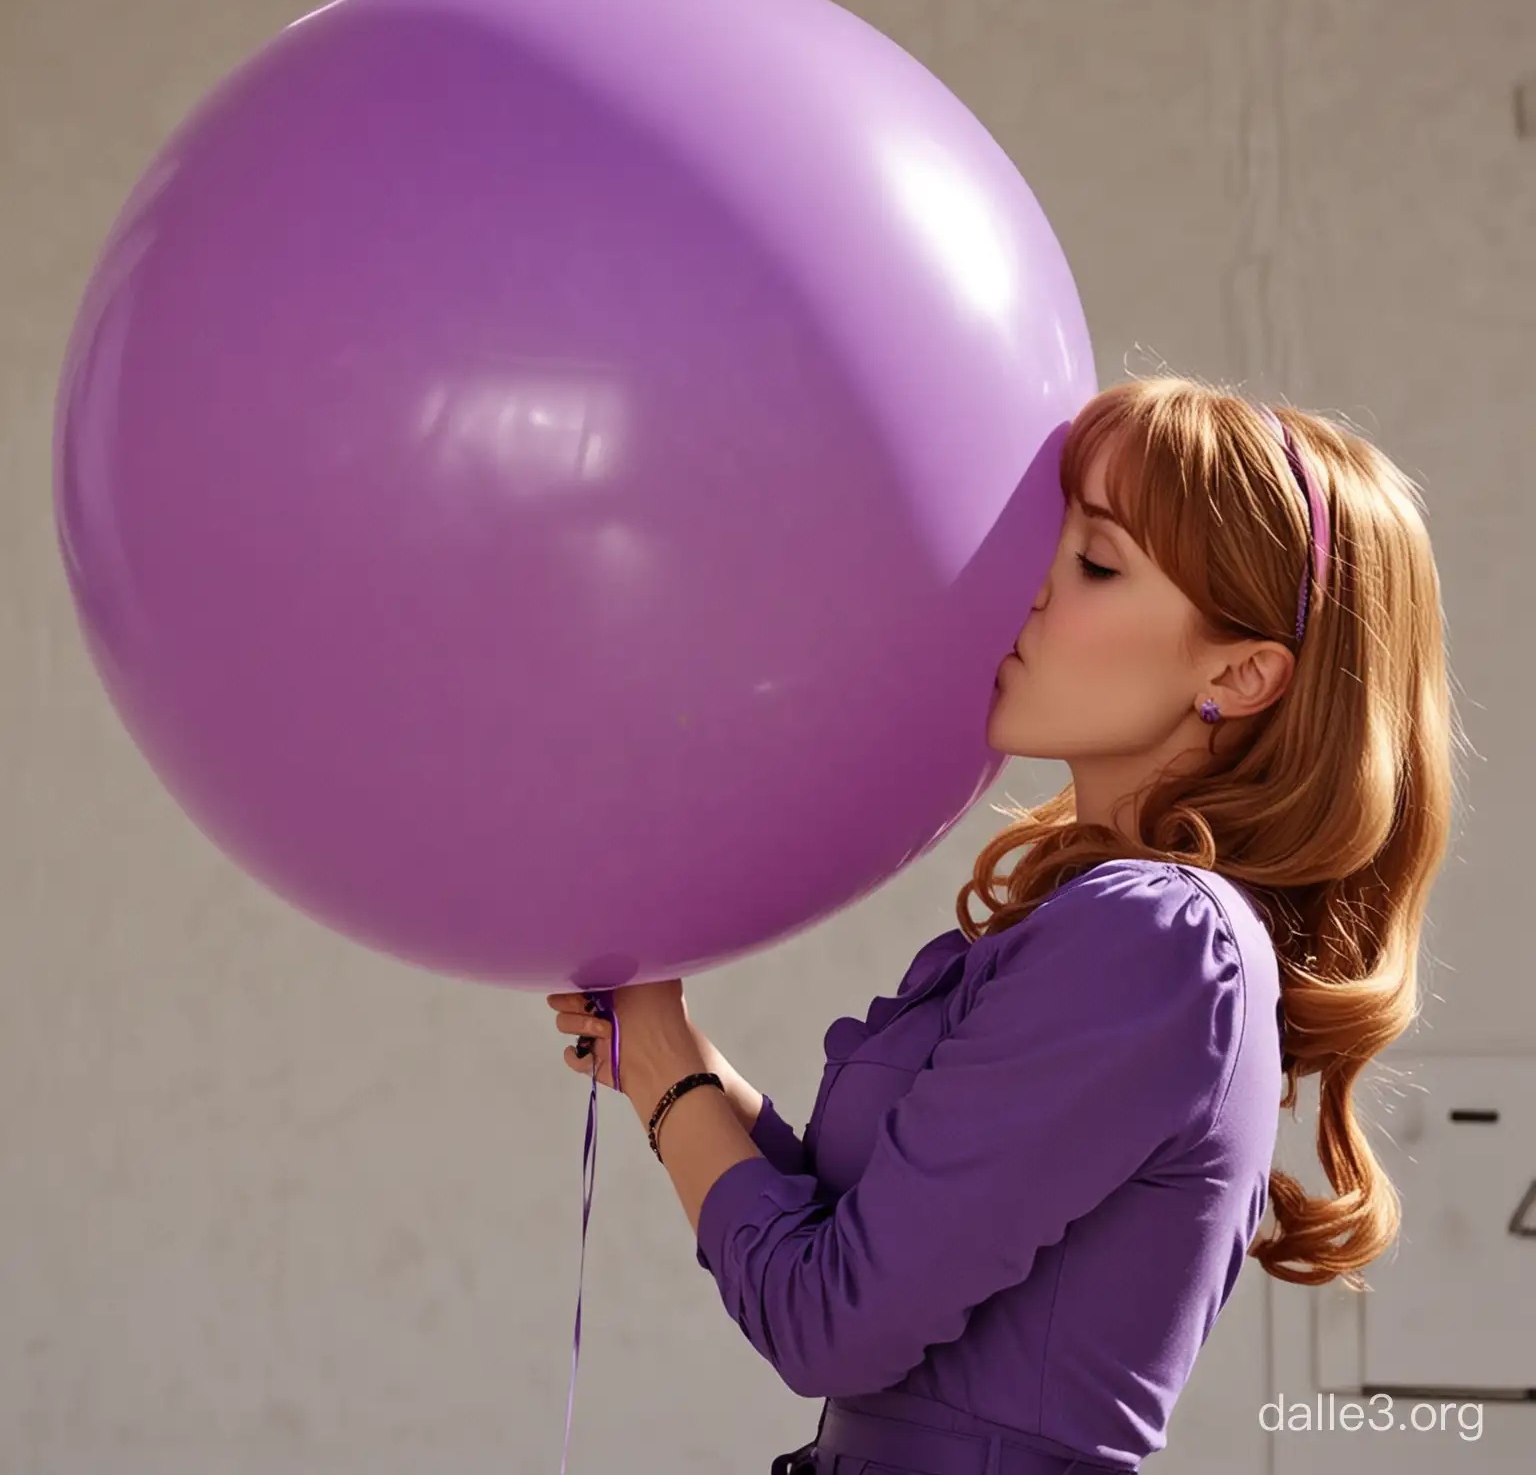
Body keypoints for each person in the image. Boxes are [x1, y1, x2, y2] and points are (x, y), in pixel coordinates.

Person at [546, 376, 1459, 1474]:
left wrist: (663, 1067)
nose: (1029, 585)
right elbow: (858, 1239)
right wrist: (669, 1055)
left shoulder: (1160, 939)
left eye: (1096, 563)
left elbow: (829, 1319)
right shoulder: (1119, 930)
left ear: (1240, 673)